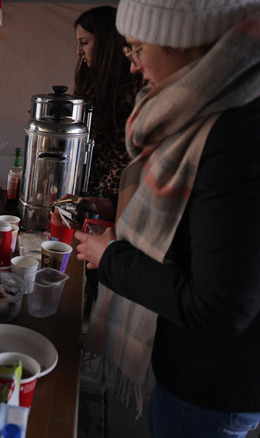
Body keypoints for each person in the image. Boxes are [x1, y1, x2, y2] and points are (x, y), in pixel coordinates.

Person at [74, 0, 260, 436]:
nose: (134, 68)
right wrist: (119, 213)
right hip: (204, 371)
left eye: (136, 49)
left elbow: (221, 306)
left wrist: (113, 258)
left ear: (182, 44)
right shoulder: (214, 107)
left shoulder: (233, 133)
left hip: (212, 382)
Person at [74, 5, 143, 196]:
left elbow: (129, 153)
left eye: (85, 42)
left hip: (119, 189)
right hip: (89, 183)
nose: (79, 51)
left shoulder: (133, 84)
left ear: (106, 41)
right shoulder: (92, 81)